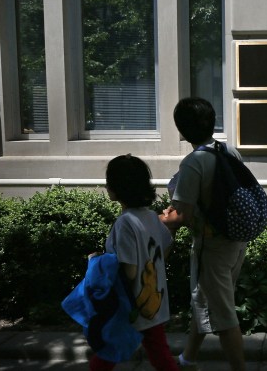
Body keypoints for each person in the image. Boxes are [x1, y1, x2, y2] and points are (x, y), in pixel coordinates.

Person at [160, 97, 247, 371]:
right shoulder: (228, 150)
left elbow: (181, 215)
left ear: (182, 130)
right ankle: (188, 358)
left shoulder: (193, 163)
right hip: (236, 240)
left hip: (213, 247)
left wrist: (156, 219)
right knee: (205, 299)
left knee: (223, 316)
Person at [92, 155, 178, 371]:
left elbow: (128, 270)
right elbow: (165, 245)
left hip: (128, 306)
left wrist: (98, 262)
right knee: (160, 354)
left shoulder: (124, 223)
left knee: (106, 353)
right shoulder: (150, 216)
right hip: (152, 302)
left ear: (115, 188)